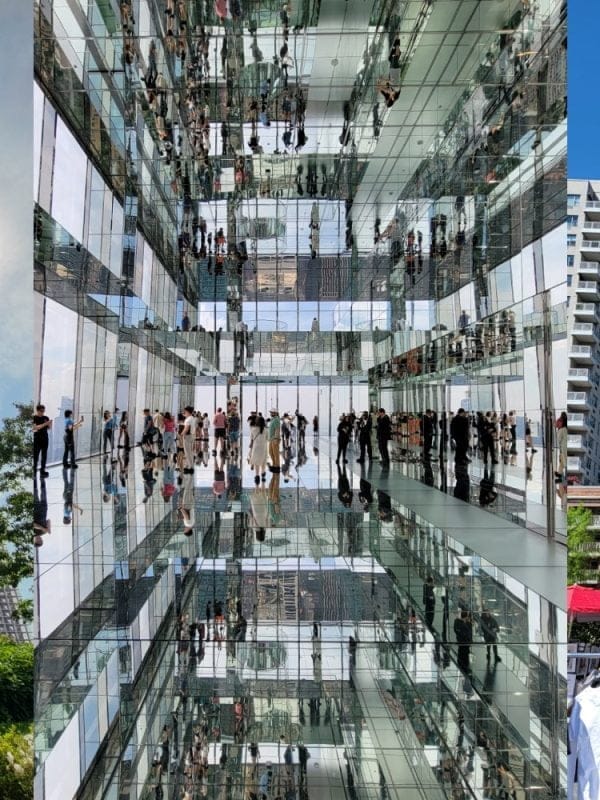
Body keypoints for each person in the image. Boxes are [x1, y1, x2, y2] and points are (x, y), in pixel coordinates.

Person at [249, 414, 268, 484]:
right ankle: (263, 473)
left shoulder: (253, 429)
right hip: (263, 447)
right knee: (263, 461)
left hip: (256, 447)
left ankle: (257, 476)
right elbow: (267, 438)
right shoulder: (266, 430)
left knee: (256, 462)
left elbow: (251, 438)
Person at [33, 404, 52, 477]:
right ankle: (34, 472)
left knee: (44, 456)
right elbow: (35, 428)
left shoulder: (46, 417)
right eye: (41, 411)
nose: (43, 412)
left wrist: (50, 424)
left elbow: (49, 428)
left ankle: (42, 471)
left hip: (45, 438)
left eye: (43, 411)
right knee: (36, 456)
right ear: (37, 410)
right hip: (37, 439)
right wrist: (45, 424)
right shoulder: (34, 418)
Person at [453, 610, 472, 674]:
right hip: (462, 642)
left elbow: (469, 633)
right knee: (462, 654)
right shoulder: (459, 622)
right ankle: (463, 667)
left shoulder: (468, 623)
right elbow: (459, 631)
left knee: (465, 654)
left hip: (466, 642)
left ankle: (464, 667)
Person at [182, 406, 196, 473]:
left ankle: (190, 467)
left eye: (185, 411)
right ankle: (189, 465)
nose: (184, 412)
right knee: (190, 452)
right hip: (192, 436)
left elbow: (186, 428)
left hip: (187, 437)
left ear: (187, 411)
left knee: (187, 452)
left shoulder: (188, 419)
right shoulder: (192, 418)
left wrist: (181, 434)